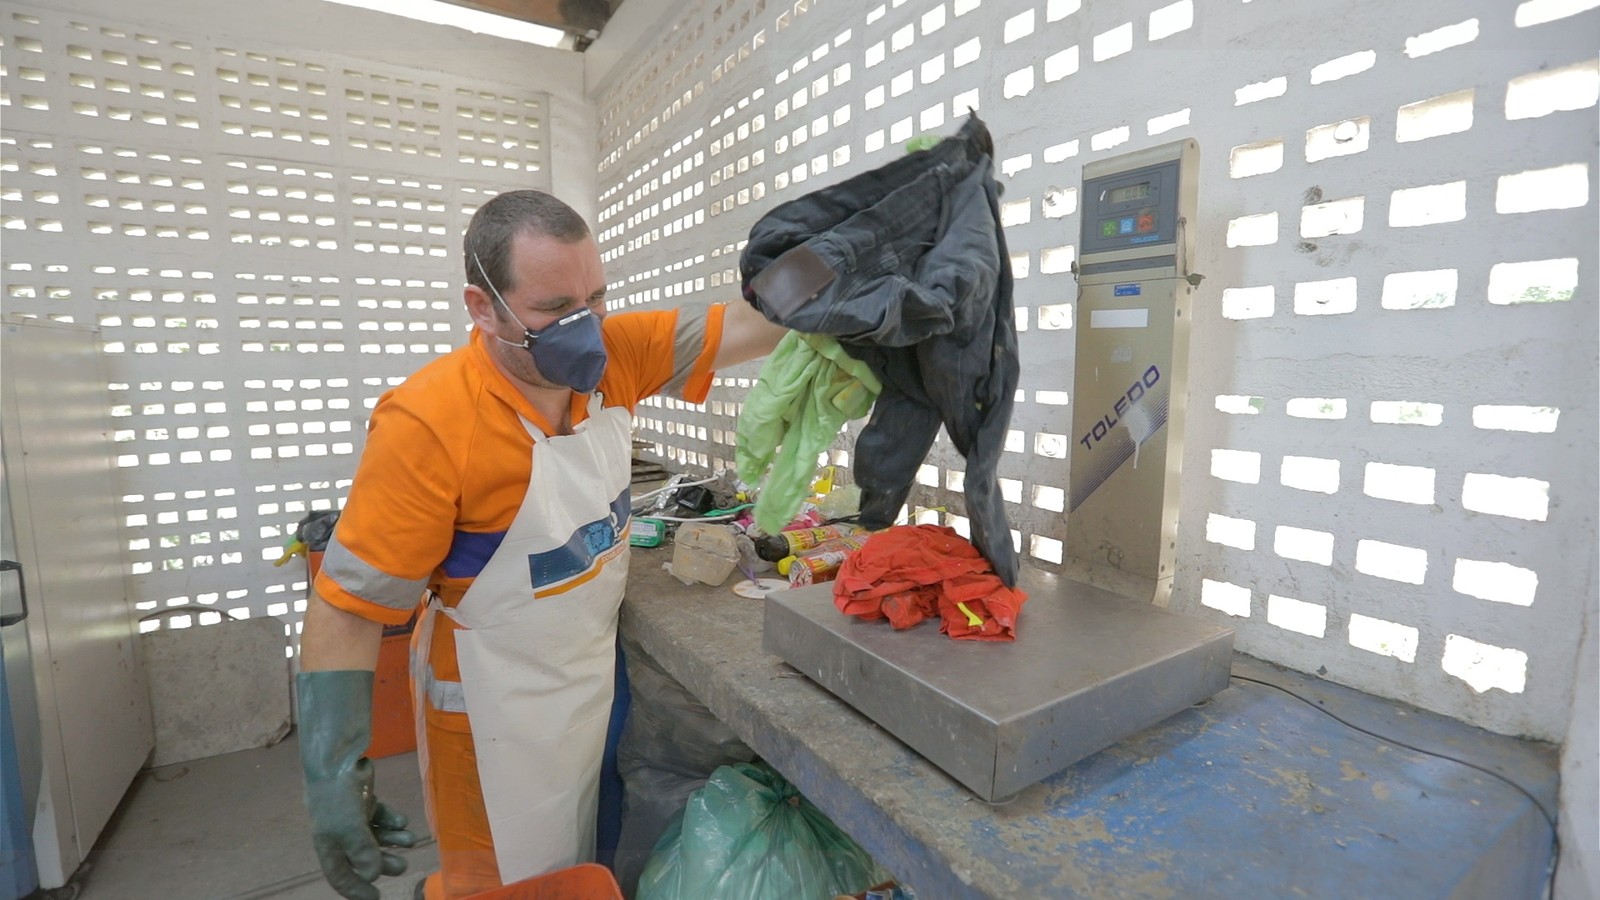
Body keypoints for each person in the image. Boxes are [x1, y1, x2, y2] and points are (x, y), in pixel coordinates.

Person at [296, 189, 787, 900]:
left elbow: (756, 323)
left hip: (587, 685)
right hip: (491, 717)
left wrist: (858, 264)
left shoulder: (621, 356)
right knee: (503, 884)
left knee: (576, 865)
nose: (583, 325)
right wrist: (333, 774)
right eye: (554, 310)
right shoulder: (428, 424)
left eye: (595, 297)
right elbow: (348, 608)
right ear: (482, 305)